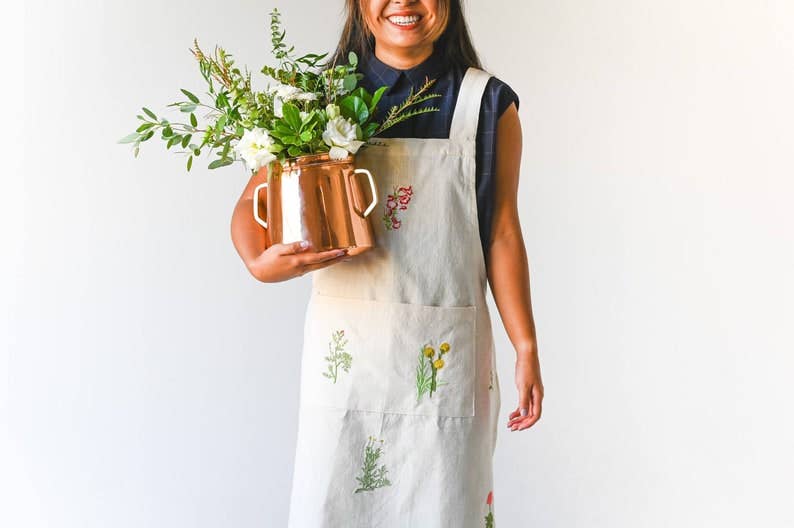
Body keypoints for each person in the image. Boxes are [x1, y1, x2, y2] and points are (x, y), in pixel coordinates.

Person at [230, 1, 543, 525]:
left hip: (445, 365)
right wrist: (259, 262)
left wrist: (526, 344)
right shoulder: (318, 99)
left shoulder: (486, 105)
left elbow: (503, 231)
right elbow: (251, 202)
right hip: (348, 367)